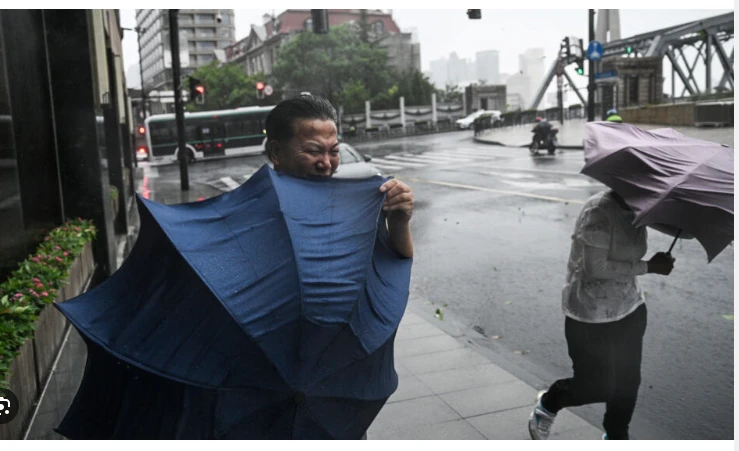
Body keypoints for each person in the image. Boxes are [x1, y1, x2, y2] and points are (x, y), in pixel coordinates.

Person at [528, 190, 675, 440]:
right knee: (597, 386)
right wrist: (650, 266)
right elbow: (595, 268)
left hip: (630, 309)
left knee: (628, 385)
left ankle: (617, 436)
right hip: (590, 314)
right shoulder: (598, 211)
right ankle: (550, 402)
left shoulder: (642, 206)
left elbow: (685, 231)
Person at [265, 95, 414, 257]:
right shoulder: (254, 217)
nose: (327, 163)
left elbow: (392, 264)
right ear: (276, 153)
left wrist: (398, 222)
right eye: (314, 151)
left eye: (334, 151)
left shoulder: (352, 207)